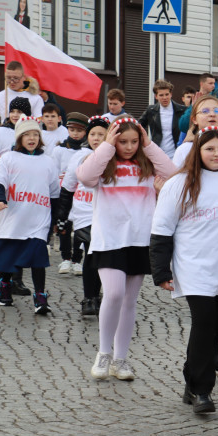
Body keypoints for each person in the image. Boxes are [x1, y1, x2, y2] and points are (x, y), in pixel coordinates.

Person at [150, 126, 218, 414]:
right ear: (198, 151)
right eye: (209, 149)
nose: (216, 154)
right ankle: (201, 390)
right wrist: (161, 271)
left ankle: (191, 372)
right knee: (204, 323)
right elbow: (162, 228)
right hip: (194, 266)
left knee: (217, 326)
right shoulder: (179, 183)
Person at [78, 118, 176, 381]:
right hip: (109, 239)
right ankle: (104, 353)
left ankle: (121, 359)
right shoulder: (102, 165)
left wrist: (149, 144)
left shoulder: (146, 165)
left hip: (139, 239)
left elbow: (173, 173)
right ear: (113, 139)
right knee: (113, 294)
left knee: (130, 301)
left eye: (134, 142)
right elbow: (85, 177)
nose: (129, 147)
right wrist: (108, 146)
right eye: (123, 141)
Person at [0, 118, 59, 313]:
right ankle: (5, 284)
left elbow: (54, 193)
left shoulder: (48, 161)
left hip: (38, 219)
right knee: (8, 258)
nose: (32, 138)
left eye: (35, 134)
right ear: (19, 137)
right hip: (14, 218)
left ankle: (40, 297)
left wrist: (56, 218)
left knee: (38, 258)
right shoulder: (9, 158)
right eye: (27, 134)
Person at [59, 115, 109, 315]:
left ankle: (98, 295)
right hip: (84, 213)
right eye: (92, 134)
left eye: (101, 135)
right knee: (91, 253)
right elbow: (68, 186)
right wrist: (62, 214)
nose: (96, 138)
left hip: (106, 213)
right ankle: (89, 298)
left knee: (102, 257)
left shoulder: (112, 157)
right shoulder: (79, 156)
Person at [51, 112, 88, 274]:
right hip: (64, 192)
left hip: (80, 193)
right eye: (72, 130)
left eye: (79, 131)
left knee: (80, 227)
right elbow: (53, 170)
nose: (75, 133)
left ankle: (77, 259)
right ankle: (66, 258)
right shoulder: (59, 150)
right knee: (64, 224)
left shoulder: (86, 151)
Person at [139, 79, 186, 159]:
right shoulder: (151, 110)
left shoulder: (182, 110)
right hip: (157, 153)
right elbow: (138, 126)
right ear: (156, 96)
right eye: (161, 95)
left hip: (176, 153)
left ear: (171, 94)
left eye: (167, 94)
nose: (165, 98)